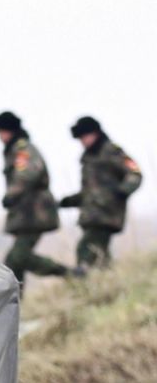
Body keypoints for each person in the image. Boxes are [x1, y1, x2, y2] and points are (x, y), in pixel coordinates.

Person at [0, 111, 68, 284]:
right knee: (14, 261)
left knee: (18, 257)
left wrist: (11, 194)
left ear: (9, 130)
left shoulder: (22, 149)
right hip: (26, 214)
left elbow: (27, 174)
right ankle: (16, 297)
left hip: (35, 212)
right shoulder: (14, 150)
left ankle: (68, 273)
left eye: (1, 131)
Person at [60, 115, 142, 274]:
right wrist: (69, 201)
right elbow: (90, 192)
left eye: (85, 136)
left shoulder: (111, 151)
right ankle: (110, 282)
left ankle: (84, 281)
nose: (82, 141)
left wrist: (122, 191)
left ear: (95, 133)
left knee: (86, 249)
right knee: (101, 256)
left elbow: (135, 173)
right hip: (92, 215)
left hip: (107, 213)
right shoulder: (88, 158)